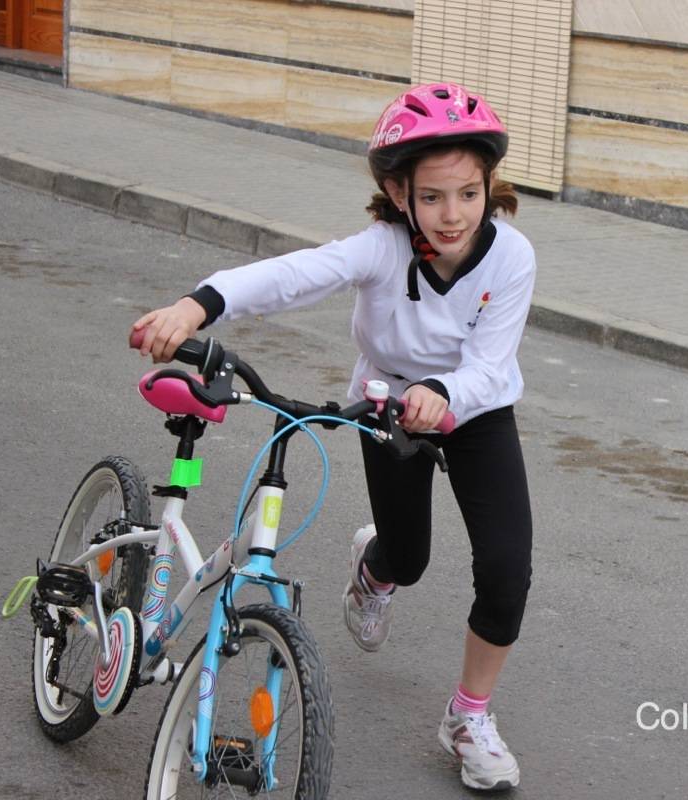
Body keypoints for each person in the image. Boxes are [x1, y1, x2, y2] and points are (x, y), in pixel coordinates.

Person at [129, 82, 535, 792]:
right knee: (407, 556)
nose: (453, 214)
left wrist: (440, 396)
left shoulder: (511, 257)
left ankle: (468, 717)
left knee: (506, 571)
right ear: (397, 190)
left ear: (489, 186)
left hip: (473, 406)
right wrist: (199, 304)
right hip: (386, 406)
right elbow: (293, 276)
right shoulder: (379, 250)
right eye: (433, 196)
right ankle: (374, 573)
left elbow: (489, 365)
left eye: (469, 194)